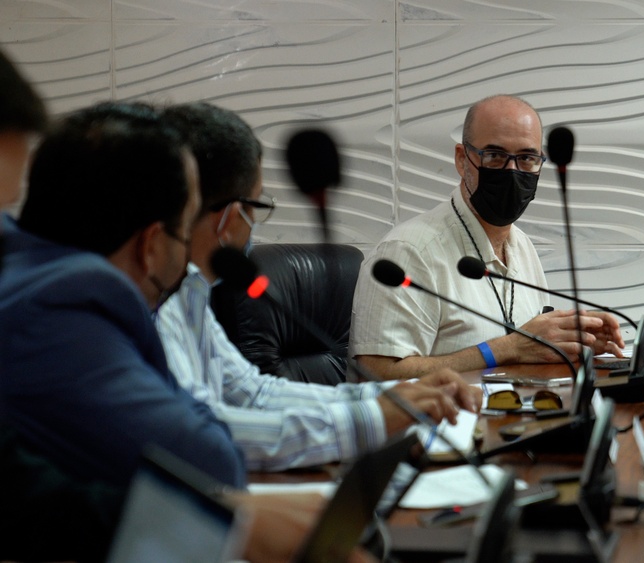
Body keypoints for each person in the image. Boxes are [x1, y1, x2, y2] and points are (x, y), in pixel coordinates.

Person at [155, 102, 480, 472]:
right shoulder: (149, 306)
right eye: (257, 207)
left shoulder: (188, 292)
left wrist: (390, 395)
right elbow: (205, 431)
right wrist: (373, 419)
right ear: (228, 216)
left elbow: (253, 393)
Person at [0, 101, 247, 488]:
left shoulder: (22, 273)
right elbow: (213, 466)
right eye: (184, 228)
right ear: (150, 244)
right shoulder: (65, 311)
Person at [350, 94, 625, 380]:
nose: (512, 171)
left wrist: (573, 341)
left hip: (514, 420)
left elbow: (527, 352)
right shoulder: (407, 252)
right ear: (461, 159)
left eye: (527, 158)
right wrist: (506, 348)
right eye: (495, 156)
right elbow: (378, 376)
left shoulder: (522, 246)